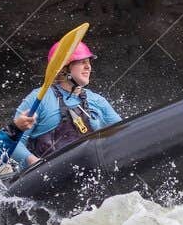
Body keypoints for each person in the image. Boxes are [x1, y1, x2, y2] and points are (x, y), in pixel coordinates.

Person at [11, 38, 122, 168]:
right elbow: (13, 141)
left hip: (90, 171)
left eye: (89, 62)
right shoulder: (39, 98)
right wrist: (33, 162)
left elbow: (122, 134)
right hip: (45, 177)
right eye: (82, 62)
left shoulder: (97, 100)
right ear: (64, 68)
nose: (88, 67)